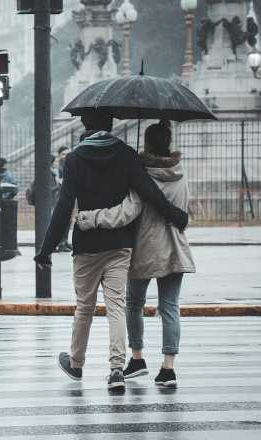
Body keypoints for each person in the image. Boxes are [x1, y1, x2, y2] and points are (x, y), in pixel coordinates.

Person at [33, 110, 188, 392]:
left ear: (85, 124)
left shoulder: (74, 159)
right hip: (120, 245)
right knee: (116, 305)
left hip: (86, 246)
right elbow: (149, 192)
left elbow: (64, 207)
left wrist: (46, 249)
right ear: (111, 124)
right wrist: (175, 214)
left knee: (85, 307)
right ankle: (117, 369)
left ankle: (76, 363)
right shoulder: (127, 155)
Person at [76, 121, 196, 388]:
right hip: (176, 248)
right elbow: (185, 208)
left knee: (133, 304)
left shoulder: (143, 175)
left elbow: (128, 211)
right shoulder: (180, 172)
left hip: (145, 247)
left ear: (148, 143)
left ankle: (137, 358)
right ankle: (168, 368)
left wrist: (92, 219)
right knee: (170, 308)